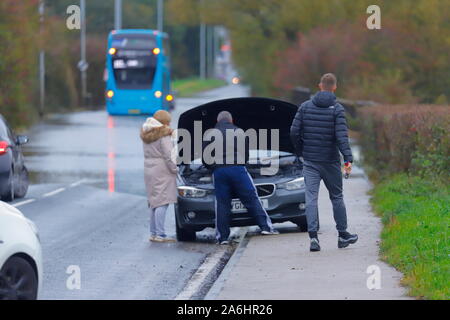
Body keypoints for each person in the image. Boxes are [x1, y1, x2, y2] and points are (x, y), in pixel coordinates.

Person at [290, 73, 358, 252]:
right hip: (330, 162)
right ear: (335, 87)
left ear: (320, 86)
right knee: (336, 197)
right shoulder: (337, 109)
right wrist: (348, 159)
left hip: (311, 161)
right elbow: (341, 137)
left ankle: (313, 238)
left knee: (311, 198)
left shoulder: (305, 107)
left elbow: (294, 132)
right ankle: (343, 235)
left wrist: (301, 150)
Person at [203, 111, 279, 245]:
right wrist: (241, 163)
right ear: (231, 120)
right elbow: (245, 153)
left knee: (222, 204)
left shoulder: (210, 134)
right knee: (251, 197)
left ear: (217, 120)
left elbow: (206, 158)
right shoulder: (238, 131)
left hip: (219, 171)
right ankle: (266, 227)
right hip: (238, 169)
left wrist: (213, 167)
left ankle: (223, 238)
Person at [141, 110, 177, 243]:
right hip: (162, 169)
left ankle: (153, 233)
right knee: (163, 201)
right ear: (164, 122)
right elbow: (169, 155)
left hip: (149, 168)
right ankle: (161, 234)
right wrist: (175, 169)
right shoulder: (164, 136)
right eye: (168, 121)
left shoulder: (147, 134)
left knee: (154, 202)